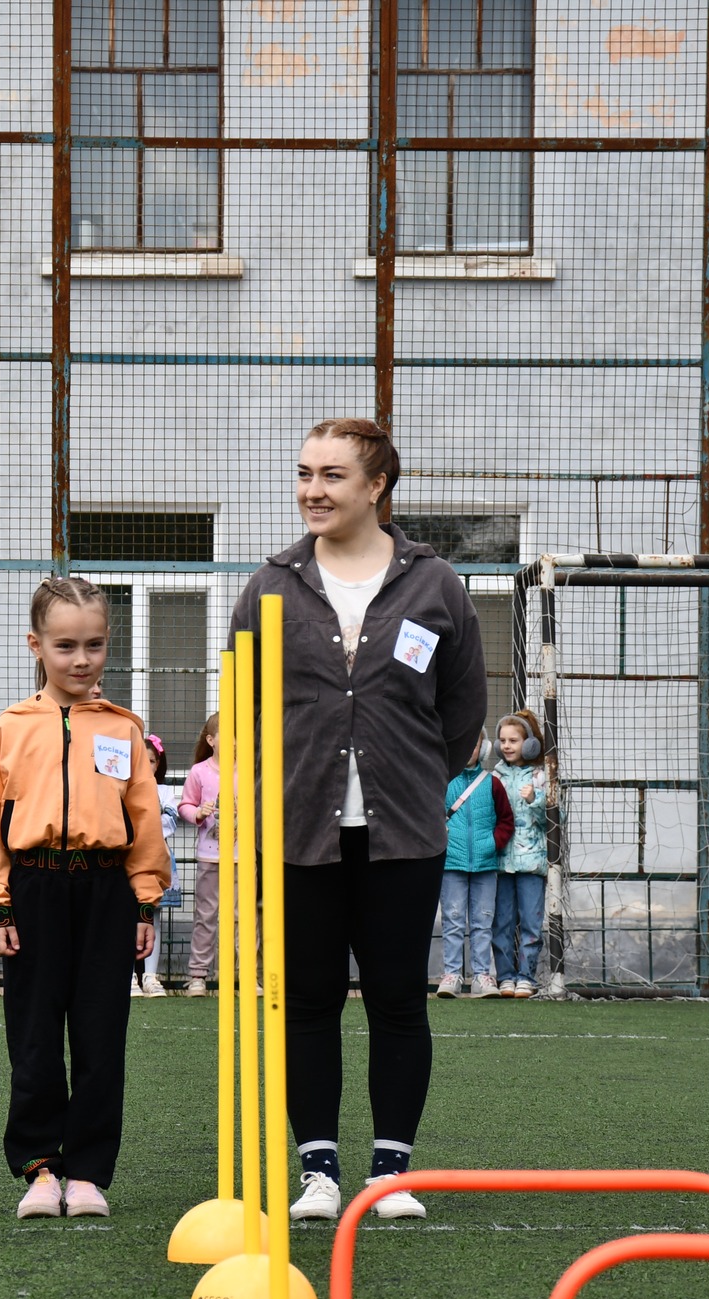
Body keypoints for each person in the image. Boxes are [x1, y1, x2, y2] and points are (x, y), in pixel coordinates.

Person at [230, 418, 488, 1223]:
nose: (312, 490)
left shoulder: (435, 584)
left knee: (397, 999)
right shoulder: (271, 584)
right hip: (298, 828)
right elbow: (243, 707)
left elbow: (462, 708)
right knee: (308, 1000)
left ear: (377, 485)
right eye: (304, 472)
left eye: (332, 475)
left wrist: (413, 775)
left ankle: (390, 1174)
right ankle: (319, 1173)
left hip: (403, 831)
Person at [0, 577, 170, 1219]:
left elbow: (144, 816)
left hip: (107, 893)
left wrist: (144, 900)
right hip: (33, 891)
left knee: (101, 1037)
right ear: (36, 646)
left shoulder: (124, 729)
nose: (82, 660)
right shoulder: (12, 727)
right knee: (34, 1038)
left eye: (95, 645)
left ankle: (86, 1173)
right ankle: (40, 1168)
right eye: (66, 646)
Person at [436, 734, 512, 1000]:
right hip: (451, 863)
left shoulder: (492, 783)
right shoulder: (443, 781)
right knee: (453, 920)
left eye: (475, 743)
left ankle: (482, 975)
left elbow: (506, 820)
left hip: (485, 864)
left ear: (483, 748)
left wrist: (493, 843)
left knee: (483, 921)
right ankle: (452, 974)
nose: (470, 748)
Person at [491, 710, 551, 999]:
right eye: (502, 740)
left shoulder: (540, 777)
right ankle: (505, 977)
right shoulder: (494, 777)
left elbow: (553, 822)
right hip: (501, 862)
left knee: (530, 923)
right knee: (501, 923)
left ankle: (526, 977)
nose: (506, 746)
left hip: (532, 863)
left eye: (513, 740)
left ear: (529, 744)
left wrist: (535, 800)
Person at [175, 713, 223, 998]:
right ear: (211, 740)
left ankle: (242, 973)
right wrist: (198, 814)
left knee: (242, 917)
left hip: (242, 857)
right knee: (206, 915)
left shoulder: (249, 768)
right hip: (210, 856)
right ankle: (198, 975)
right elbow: (185, 805)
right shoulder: (199, 772)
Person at [133, 731, 174, 999]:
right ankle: (128, 977)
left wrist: (147, 826)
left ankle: (150, 975)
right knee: (125, 917)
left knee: (153, 917)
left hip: (156, 858)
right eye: (141, 760)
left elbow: (170, 821)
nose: (146, 765)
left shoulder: (165, 791)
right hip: (129, 859)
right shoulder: (127, 788)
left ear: (157, 764)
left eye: (150, 761)